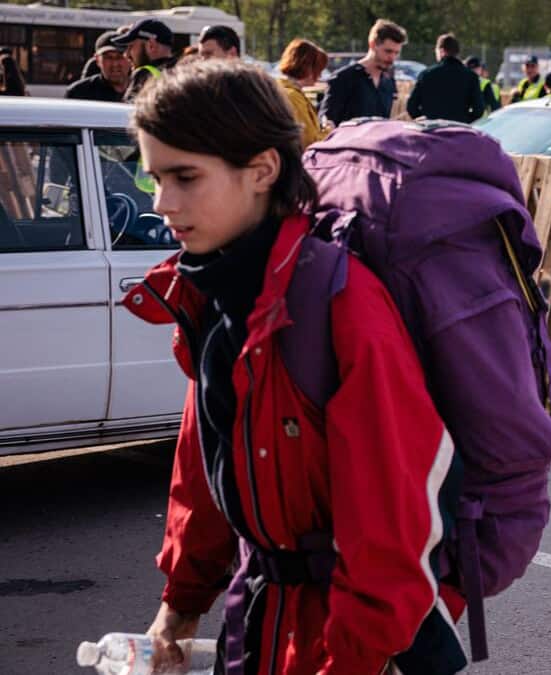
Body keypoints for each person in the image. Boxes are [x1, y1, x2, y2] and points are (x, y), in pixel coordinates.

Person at [126, 60, 465, 675]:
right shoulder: (210, 291)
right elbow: (203, 464)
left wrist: (353, 659)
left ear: (262, 170)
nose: (162, 203)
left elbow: (391, 529)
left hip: (350, 642)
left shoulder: (340, 305)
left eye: (185, 177)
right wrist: (180, 602)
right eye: (155, 178)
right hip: (259, 618)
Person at [320, 19, 405, 126]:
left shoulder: (388, 81)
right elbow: (327, 122)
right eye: (388, 51)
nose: (392, 58)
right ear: (372, 44)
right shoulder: (344, 78)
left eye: (396, 53)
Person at [406, 33, 483, 123]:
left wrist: (425, 119)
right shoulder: (471, 77)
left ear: (441, 51)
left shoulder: (426, 75)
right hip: (458, 128)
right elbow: (479, 110)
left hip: (432, 128)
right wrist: (464, 120)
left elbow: (411, 106)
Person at [277, 38, 329, 149]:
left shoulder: (278, 89)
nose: (320, 75)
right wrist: (329, 131)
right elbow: (310, 142)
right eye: (318, 70)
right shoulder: (293, 97)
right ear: (307, 67)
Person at [112, 18, 177, 101]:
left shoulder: (144, 74)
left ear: (151, 45)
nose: (126, 55)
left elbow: (130, 108)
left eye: (131, 46)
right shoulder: (183, 73)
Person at [66, 31, 130, 102]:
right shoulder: (79, 93)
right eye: (108, 57)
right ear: (97, 60)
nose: (115, 64)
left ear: (129, 57)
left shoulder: (139, 90)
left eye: (120, 57)